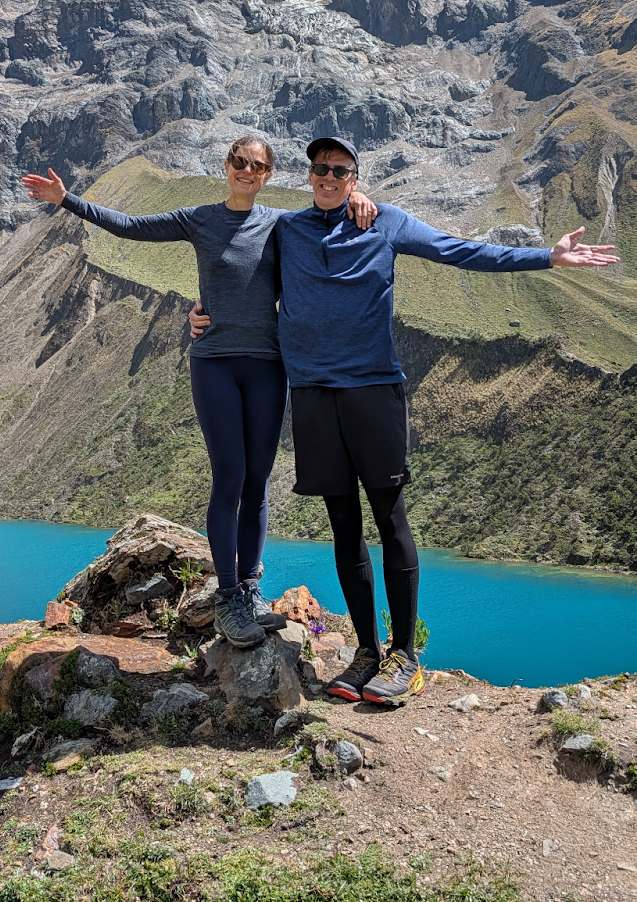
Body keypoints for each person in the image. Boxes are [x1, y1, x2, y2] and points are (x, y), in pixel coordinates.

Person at [189, 133, 620, 707]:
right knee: (344, 525)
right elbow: (233, 274)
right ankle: (366, 650)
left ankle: (404, 657)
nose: (327, 177)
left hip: (372, 390)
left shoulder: (385, 222)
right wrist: (199, 319)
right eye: (319, 168)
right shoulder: (287, 231)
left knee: (389, 518)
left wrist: (547, 255)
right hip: (313, 394)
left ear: (355, 177)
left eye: (340, 170)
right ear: (307, 173)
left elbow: (463, 251)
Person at [20, 138, 377, 649]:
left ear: (269, 175)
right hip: (214, 363)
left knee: (258, 480)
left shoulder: (280, 224)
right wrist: (66, 200)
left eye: (258, 166)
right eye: (240, 163)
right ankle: (228, 598)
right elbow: (130, 228)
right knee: (229, 476)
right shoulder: (199, 219)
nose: (248, 171)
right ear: (226, 166)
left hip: (268, 366)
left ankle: (251, 590)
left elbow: (329, 217)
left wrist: (364, 202)